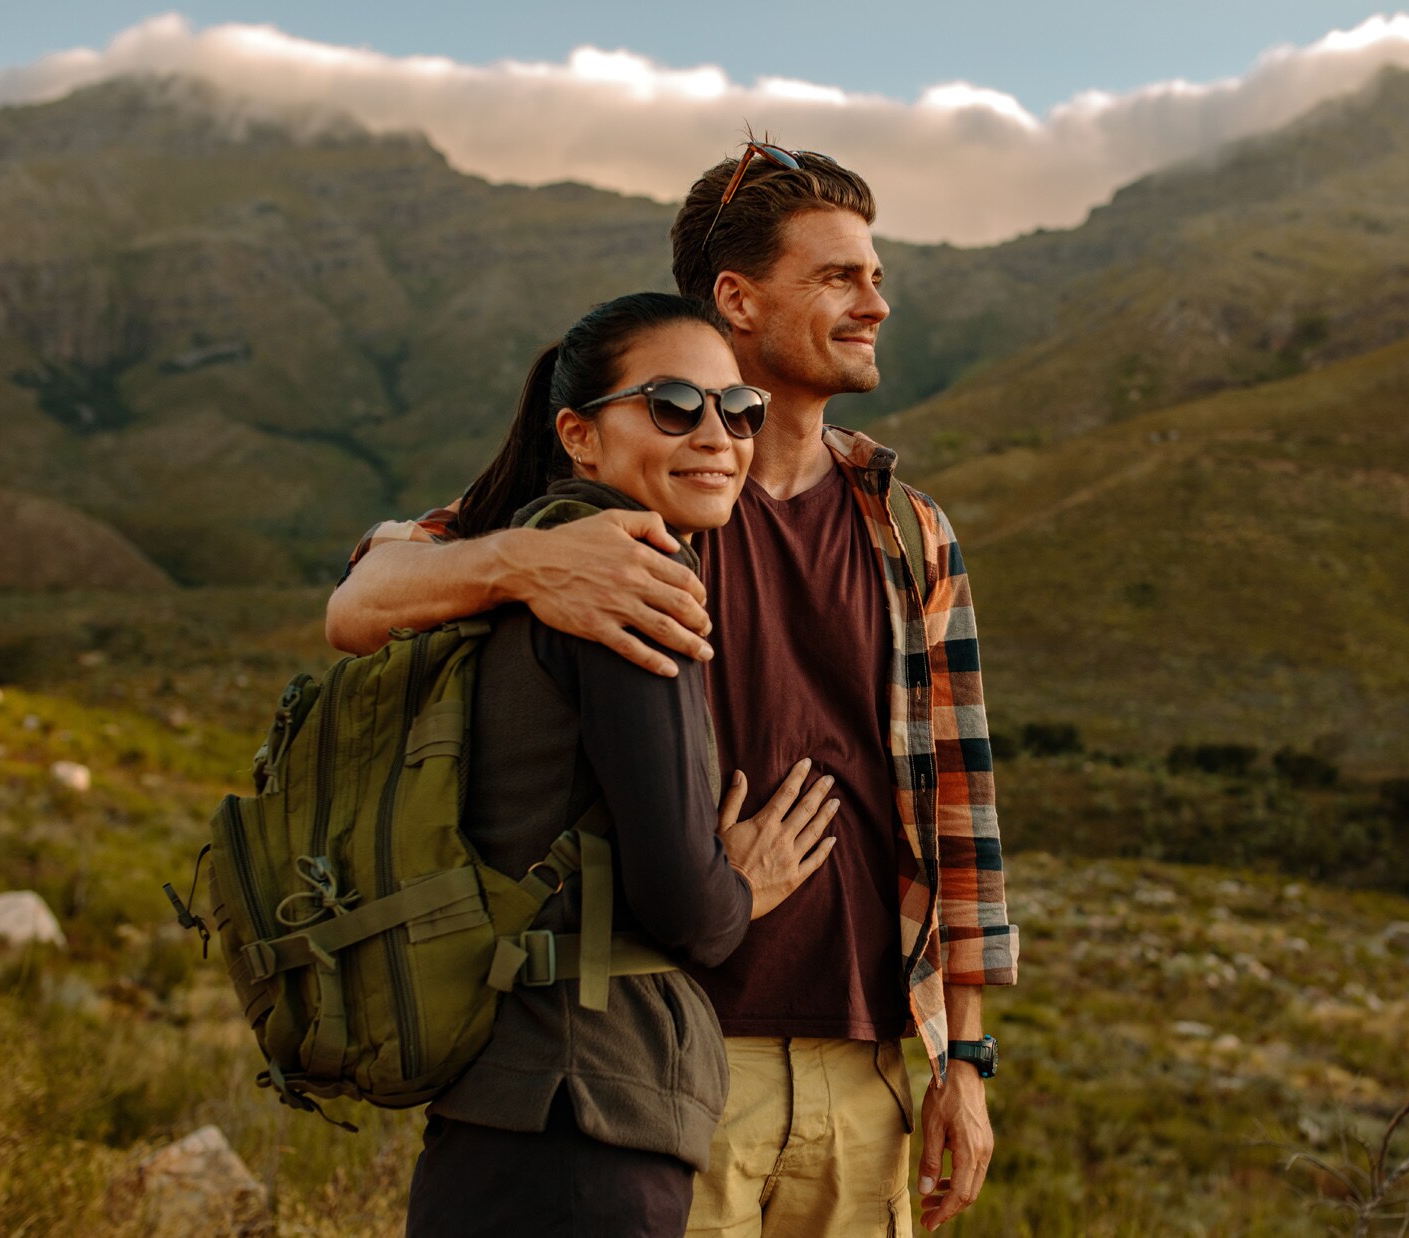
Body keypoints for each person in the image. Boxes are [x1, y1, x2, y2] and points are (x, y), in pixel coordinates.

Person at [332, 144, 1019, 1236]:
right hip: (670, 1057)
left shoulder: (908, 529)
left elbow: (957, 814)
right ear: (736, 298)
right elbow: (362, 594)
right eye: (840, 276)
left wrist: (964, 1059)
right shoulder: (641, 493)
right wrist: (518, 563)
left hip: (869, 1071)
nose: (874, 302)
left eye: (874, 276)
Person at [404, 291, 839, 1238]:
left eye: (738, 410)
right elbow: (687, 907)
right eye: (674, 405)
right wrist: (745, 887)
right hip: (586, 1115)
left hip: (504, 1097)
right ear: (580, 435)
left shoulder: (524, 555)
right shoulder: (629, 583)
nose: (718, 435)